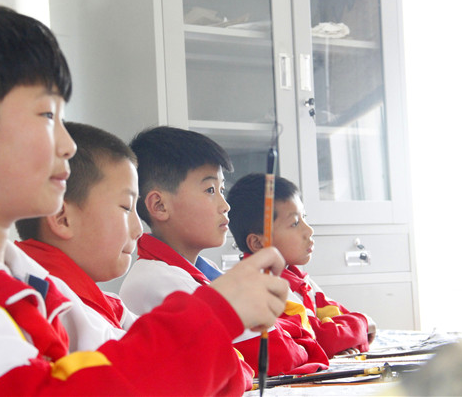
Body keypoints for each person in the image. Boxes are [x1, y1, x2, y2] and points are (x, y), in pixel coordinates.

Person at [0, 3, 289, 396]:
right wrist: (214, 314)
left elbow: (120, 359)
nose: (67, 146)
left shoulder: (24, 277)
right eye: (46, 116)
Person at [14, 121, 255, 390]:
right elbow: (168, 374)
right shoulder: (47, 304)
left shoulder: (109, 304)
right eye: (126, 207)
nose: (139, 228)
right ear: (63, 219)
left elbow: (225, 365)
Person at [119, 126, 329, 376]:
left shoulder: (203, 271)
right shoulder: (157, 282)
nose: (225, 205)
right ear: (160, 205)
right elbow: (277, 355)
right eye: (210, 190)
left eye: (222, 190)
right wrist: (301, 339)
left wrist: (297, 337)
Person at [226, 173, 376, 358]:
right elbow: (323, 339)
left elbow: (338, 317)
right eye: (295, 223)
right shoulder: (262, 286)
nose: (309, 230)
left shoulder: (298, 279)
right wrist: (364, 323)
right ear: (258, 243)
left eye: (304, 217)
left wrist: (351, 338)